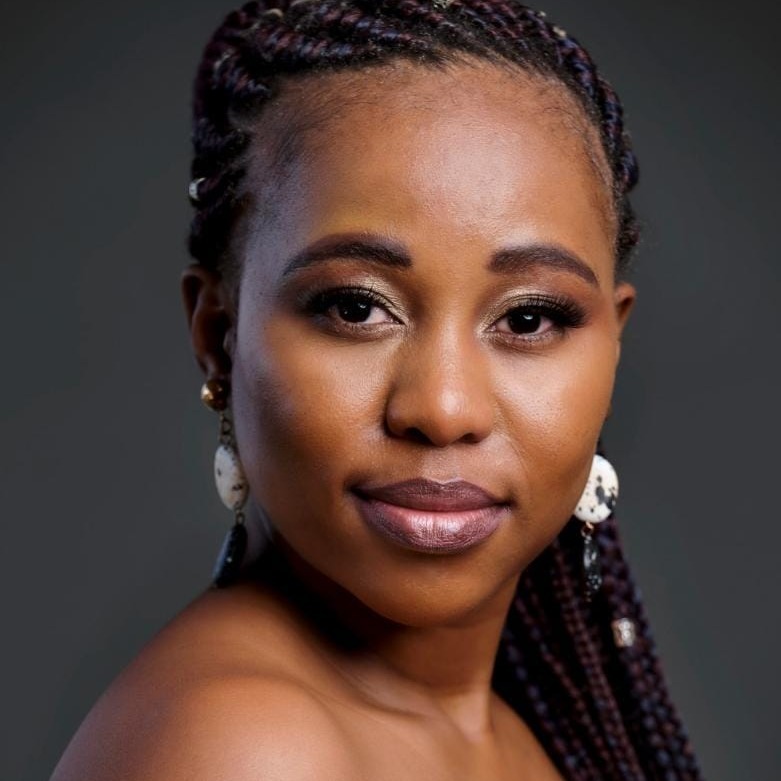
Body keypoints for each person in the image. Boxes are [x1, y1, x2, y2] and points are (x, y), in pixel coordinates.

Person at [52, 1, 703, 779]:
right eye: (356, 308)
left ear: (612, 345)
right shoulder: (242, 747)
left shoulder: (520, 731)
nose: (443, 409)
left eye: (528, 318)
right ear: (218, 335)